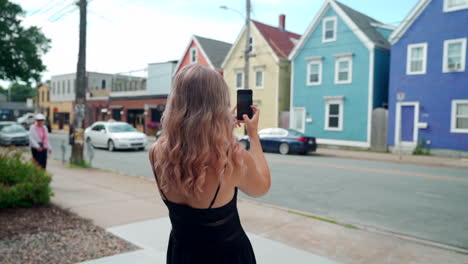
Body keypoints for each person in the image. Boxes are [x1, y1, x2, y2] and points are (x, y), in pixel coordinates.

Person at [149, 64, 271, 264]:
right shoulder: (232, 158)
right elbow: (262, 186)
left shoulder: (156, 152)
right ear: (220, 104)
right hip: (227, 257)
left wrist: (220, 128)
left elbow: (192, 147)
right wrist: (253, 134)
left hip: (182, 254)